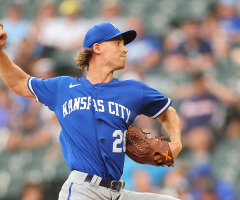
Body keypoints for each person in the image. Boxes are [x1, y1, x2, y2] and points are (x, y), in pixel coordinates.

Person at [0, 22, 182, 200]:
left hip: (118, 191)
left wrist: (176, 141)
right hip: (82, 190)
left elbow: (167, 113)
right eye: (117, 43)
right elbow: (19, 83)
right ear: (97, 47)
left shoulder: (134, 90)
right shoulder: (63, 87)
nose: (125, 49)